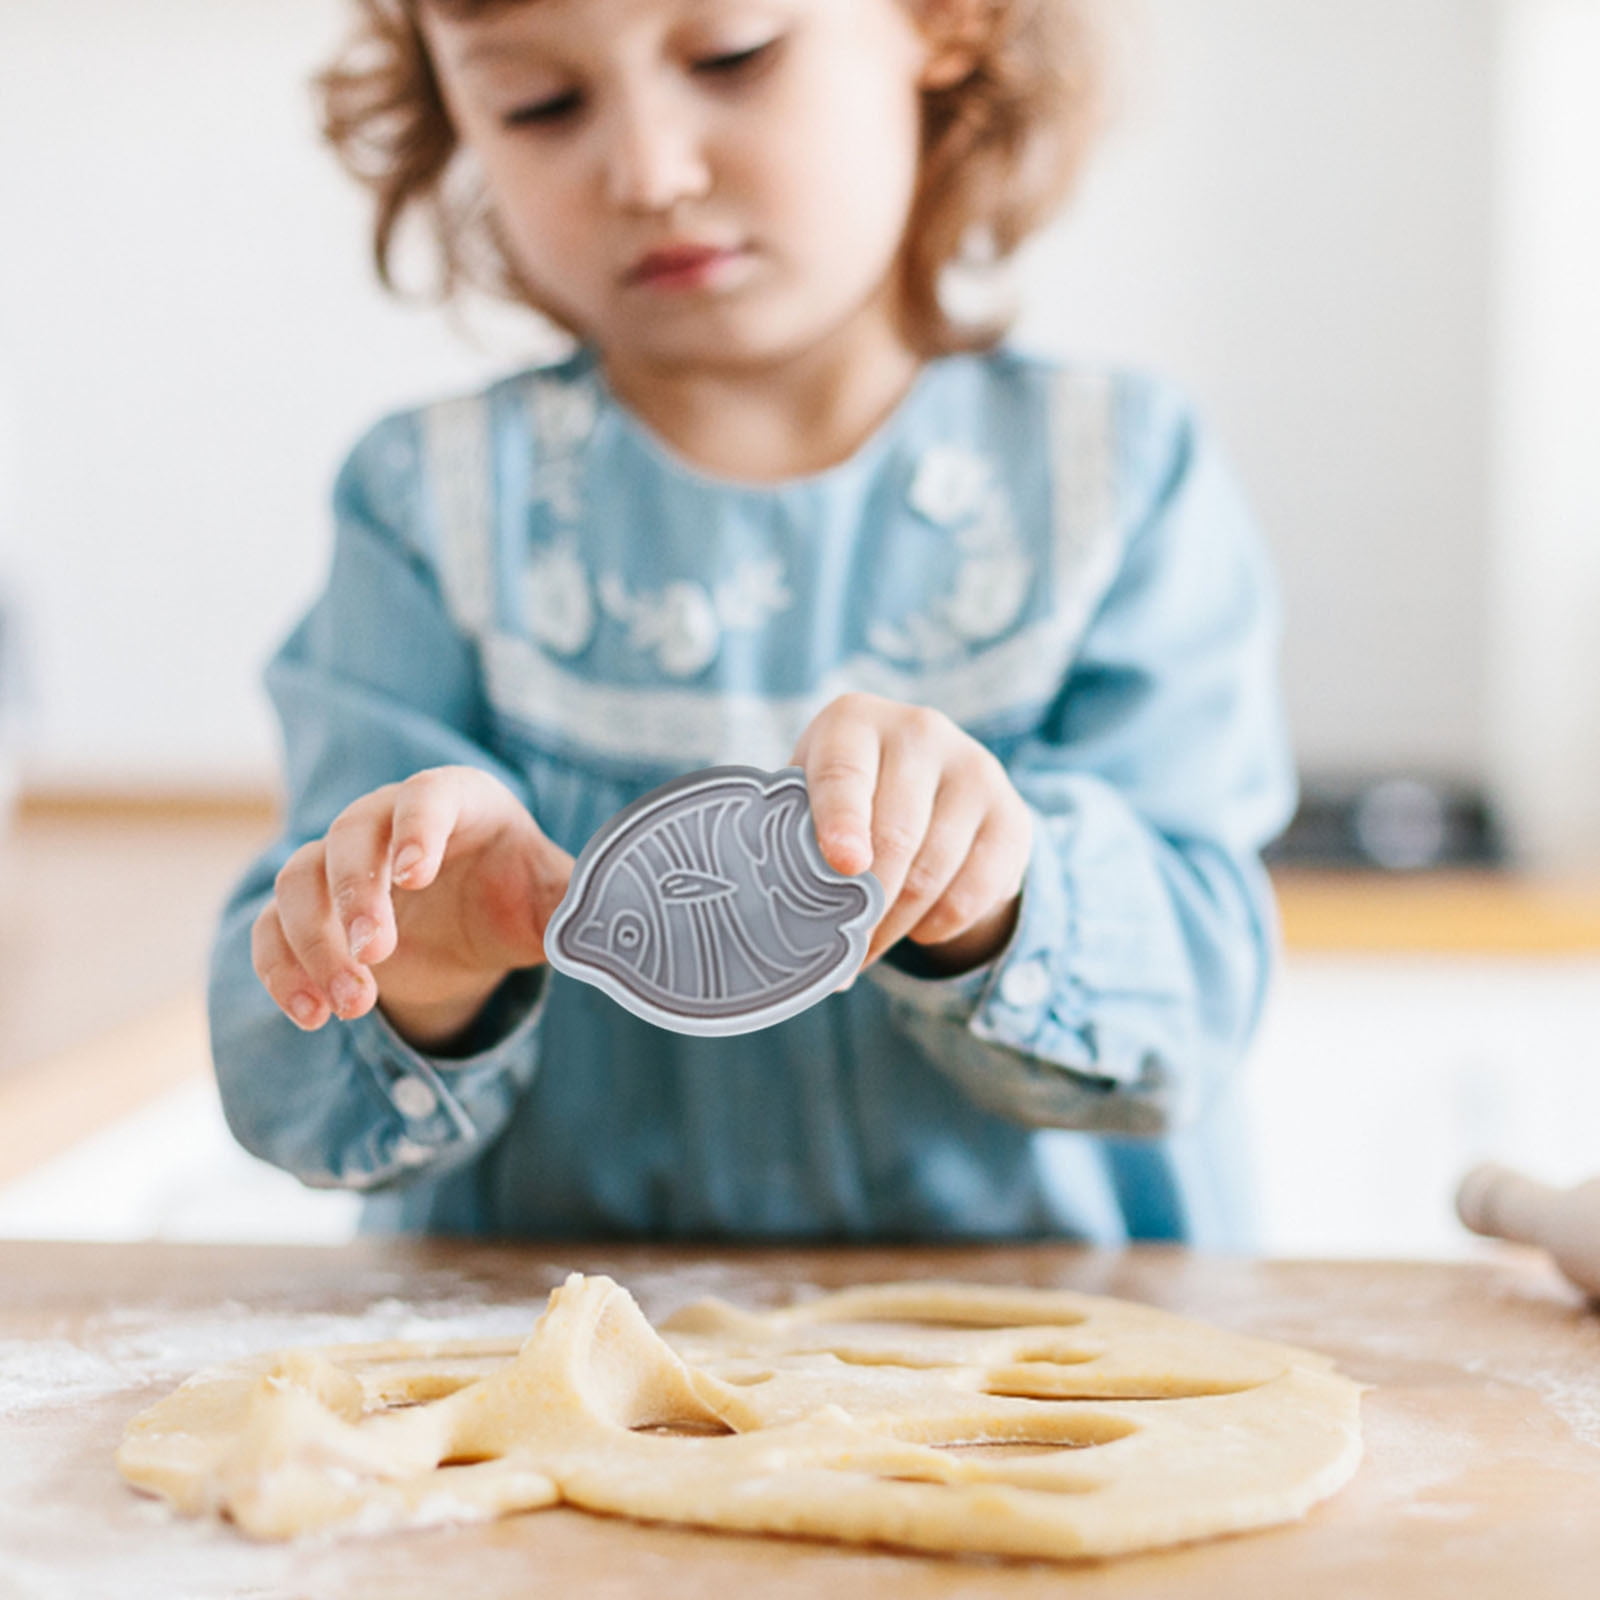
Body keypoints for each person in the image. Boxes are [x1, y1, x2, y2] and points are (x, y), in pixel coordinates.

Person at [210, 0, 1296, 1246]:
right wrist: (420, 965)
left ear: (945, 25)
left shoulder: (1116, 477)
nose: (649, 172)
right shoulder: (426, 506)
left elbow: (1198, 1010)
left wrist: (990, 901)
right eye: (540, 105)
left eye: (732, 56)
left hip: (1037, 1409)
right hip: (555, 1409)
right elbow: (283, 1081)